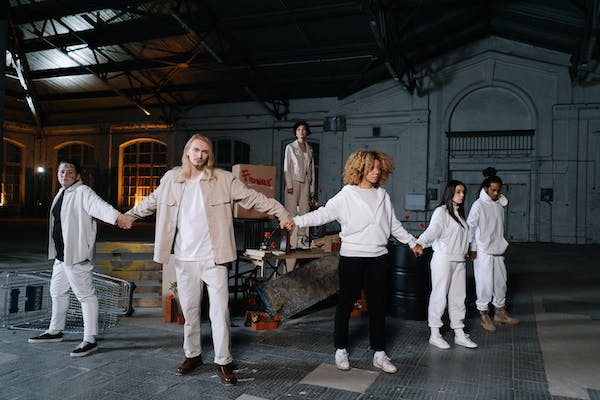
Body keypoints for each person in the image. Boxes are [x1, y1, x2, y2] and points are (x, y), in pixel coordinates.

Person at [125, 134, 294, 385]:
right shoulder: (172, 178)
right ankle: (192, 355)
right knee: (190, 312)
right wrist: (128, 215)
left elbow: (253, 198)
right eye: (196, 150)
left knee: (219, 312)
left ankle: (223, 360)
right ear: (187, 151)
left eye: (205, 151)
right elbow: (151, 201)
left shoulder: (223, 179)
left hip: (214, 259)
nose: (200, 155)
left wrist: (281, 211)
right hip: (184, 259)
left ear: (209, 155)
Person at [293, 149, 421, 374]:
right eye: (371, 167)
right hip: (352, 257)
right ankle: (340, 349)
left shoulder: (383, 195)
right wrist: (296, 221)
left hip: (379, 258)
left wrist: (412, 242)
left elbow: (393, 226)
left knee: (379, 306)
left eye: (378, 168)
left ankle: (379, 354)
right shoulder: (347, 195)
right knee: (345, 304)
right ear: (360, 168)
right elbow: (322, 214)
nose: (376, 172)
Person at [28, 159, 133, 357]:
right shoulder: (62, 192)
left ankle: (90, 339)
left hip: (76, 256)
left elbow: (99, 206)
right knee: (57, 291)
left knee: (86, 296)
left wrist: (118, 218)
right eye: (61, 172)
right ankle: (55, 331)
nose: (65, 175)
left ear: (77, 176)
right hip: (62, 256)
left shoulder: (83, 192)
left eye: (69, 172)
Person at [414, 180, 478, 349]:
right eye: (458, 192)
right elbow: (433, 230)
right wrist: (420, 242)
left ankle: (459, 333)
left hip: (459, 260)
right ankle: (435, 334)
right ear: (450, 192)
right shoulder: (441, 212)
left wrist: (472, 249)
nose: (462, 195)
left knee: (458, 298)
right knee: (439, 295)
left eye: (463, 192)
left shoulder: (459, 214)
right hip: (443, 259)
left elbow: (467, 235)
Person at [467, 169, 519, 333]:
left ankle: (500, 313)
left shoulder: (498, 205)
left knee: (500, 282)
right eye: (493, 190)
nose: (496, 193)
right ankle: (484, 315)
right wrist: (472, 248)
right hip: (483, 251)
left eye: (498, 190)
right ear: (486, 189)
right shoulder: (478, 205)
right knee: (484, 283)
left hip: (498, 249)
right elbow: (470, 228)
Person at [284, 121, 315, 249]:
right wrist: (289, 184)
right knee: (291, 211)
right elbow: (287, 167)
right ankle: (290, 241)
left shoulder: (310, 148)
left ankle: (302, 240)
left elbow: (312, 169)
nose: (301, 132)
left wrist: (312, 187)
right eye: (299, 129)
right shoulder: (290, 147)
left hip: (305, 182)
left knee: (305, 211)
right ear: (296, 132)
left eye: (303, 129)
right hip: (293, 181)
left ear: (306, 132)